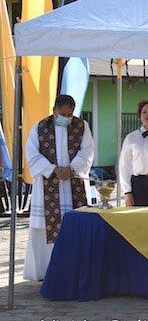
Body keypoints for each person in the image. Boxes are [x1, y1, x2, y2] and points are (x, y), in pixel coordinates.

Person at [24, 95, 94, 280]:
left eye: (70, 115)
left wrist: (71, 169)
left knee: (75, 226)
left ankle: (74, 270)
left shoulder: (82, 126)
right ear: (54, 110)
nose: (67, 118)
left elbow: (88, 151)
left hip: (74, 183)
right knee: (45, 228)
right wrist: (52, 169)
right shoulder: (40, 127)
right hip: (47, 184)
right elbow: (31, 153)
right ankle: (46, 271)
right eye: (63, 114)